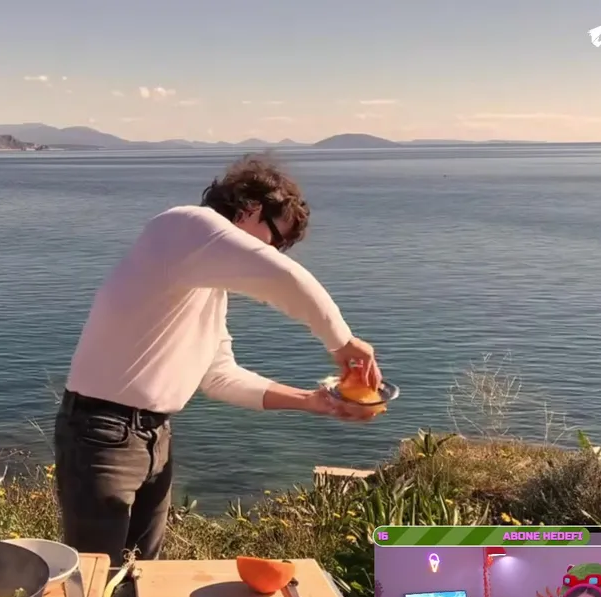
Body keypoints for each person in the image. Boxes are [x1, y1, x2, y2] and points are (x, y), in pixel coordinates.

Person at [55, 153, 382, 566]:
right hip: (102, 432)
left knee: (140, 578)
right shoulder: (184, 225)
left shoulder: (202, 283)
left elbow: (219, 376)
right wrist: (343, 344)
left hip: (152, 434)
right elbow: (283, 277)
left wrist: (312, 401)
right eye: (275, 239)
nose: (273, 250)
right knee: (94, 577)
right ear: (250, 209)